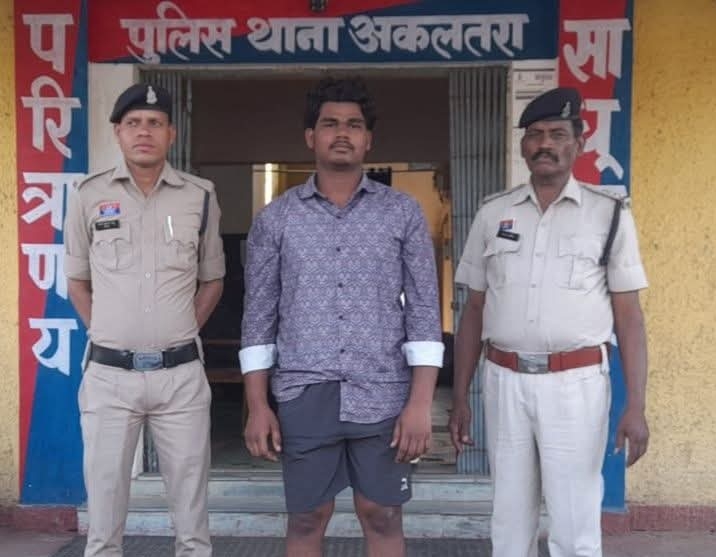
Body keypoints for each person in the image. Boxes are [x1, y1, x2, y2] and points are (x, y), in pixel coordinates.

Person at [239, 76, 444, 557]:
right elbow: (258, 316)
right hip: (304, 391)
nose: (342, 133)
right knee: (307, 517)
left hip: (383, 390)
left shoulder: (402, 213)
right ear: (310, 137)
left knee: (382, 513)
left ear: (368, 139)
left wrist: (420, 404)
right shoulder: (276, 218)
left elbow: (423, 310)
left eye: (354, 124)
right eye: (330, 124)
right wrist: (257, 405)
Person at [449, 87, 649, 557]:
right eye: (535, 134)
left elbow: (630, 318)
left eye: (558, 134)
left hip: (576, 385)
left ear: (579, 143)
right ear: (522, 145)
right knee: (509, 518)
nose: (545, 144)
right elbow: (473, 310)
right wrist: (459, 396)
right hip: (504, 380)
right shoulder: (492, 213)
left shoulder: (609, 215)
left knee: (574, 521)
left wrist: (636, 405)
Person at [64, 83, 225, 557]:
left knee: (193, 524)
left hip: (180, 378)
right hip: (109, 377)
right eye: (133, 123)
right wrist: (108, 333)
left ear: (171, 133)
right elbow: (77, 281)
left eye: (155, 123)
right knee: (103, 523)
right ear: (117, 132)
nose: (144, 132)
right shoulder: (88, 195)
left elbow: (212, 279)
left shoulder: (200, 196)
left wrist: (182, 330)